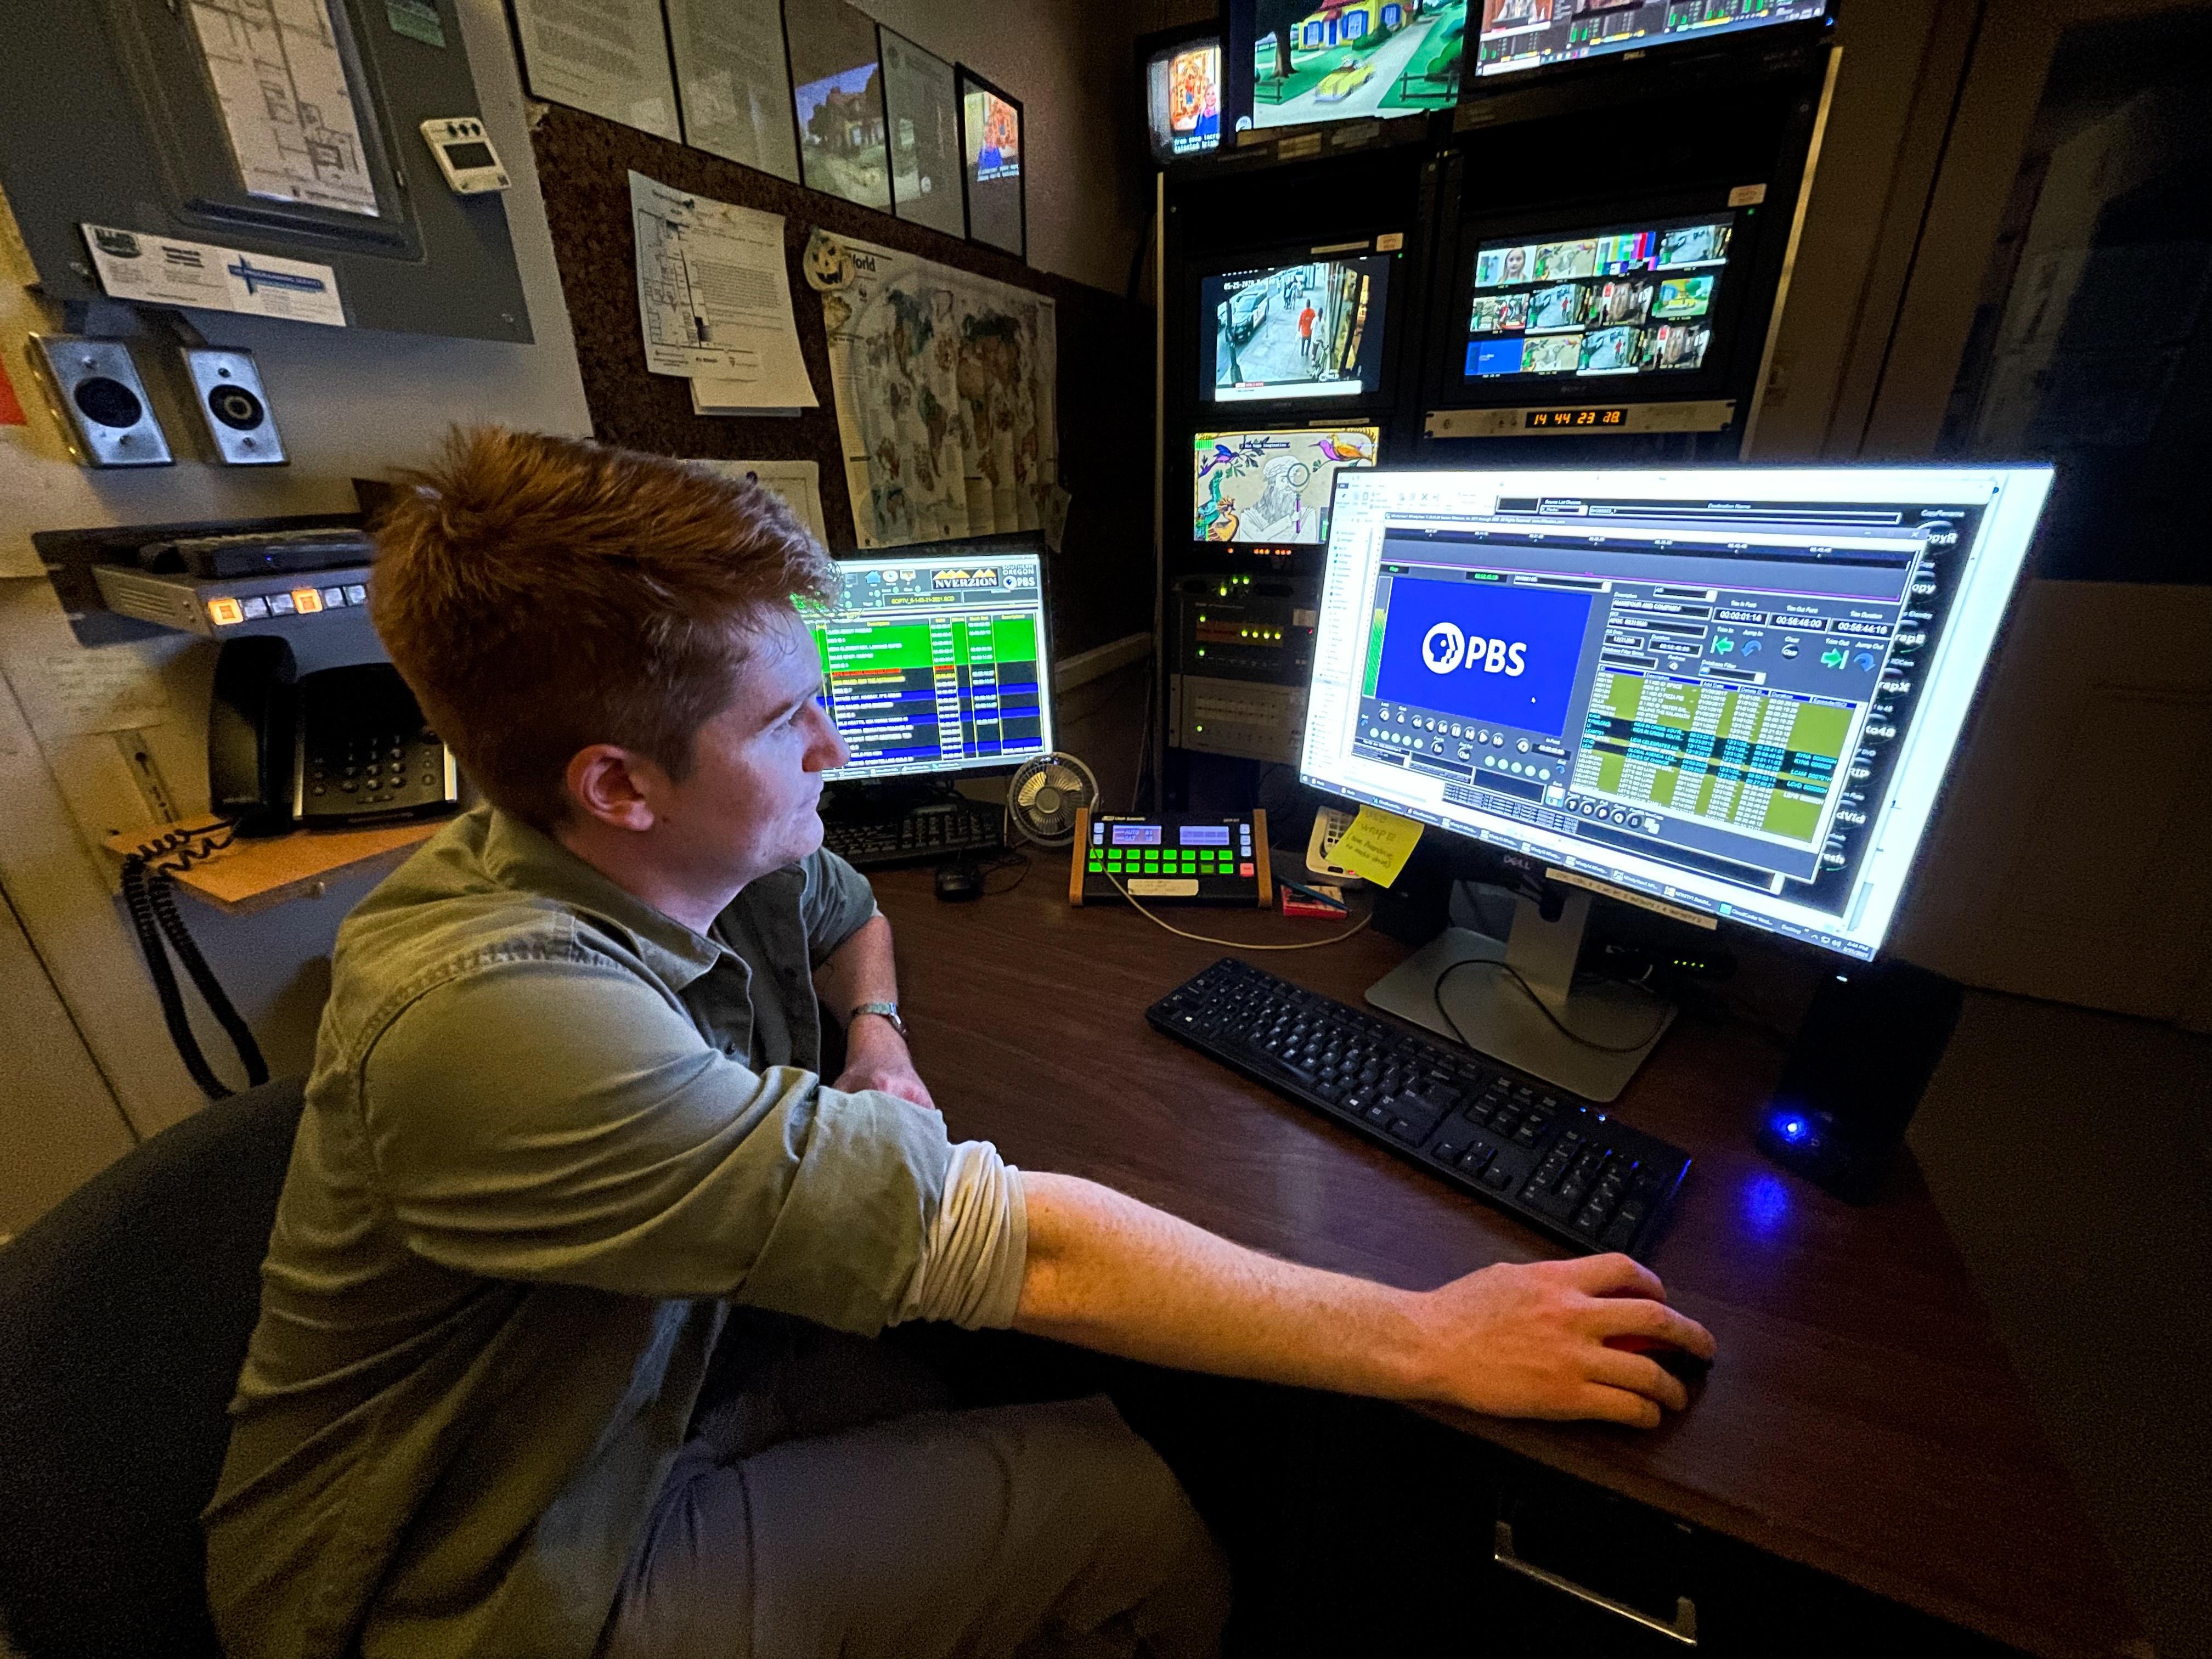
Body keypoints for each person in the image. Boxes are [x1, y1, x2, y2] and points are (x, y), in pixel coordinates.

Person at [202, 430, 1715, 1659]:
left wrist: (877, 1039)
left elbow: (844, 902)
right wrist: (1431, 1339)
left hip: (625, 1389)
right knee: (1127, 1492)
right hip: (464, 1582)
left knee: (956, 1392)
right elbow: (1028, 1250)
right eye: (792, 717)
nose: (839, 749)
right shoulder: (493, 1022)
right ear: (621, 785)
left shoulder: (631, 839)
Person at [1297, 298, 1319, 364]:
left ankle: (1302, 352)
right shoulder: (1313, 313)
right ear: (1310, 305)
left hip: (1304, 333)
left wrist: (1299, 328)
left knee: (1303, 343)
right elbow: (1315, 322)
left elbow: (1300, 321)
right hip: (1310, 333)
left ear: (1306, 305)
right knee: (1309, 343)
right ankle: (1307, 352)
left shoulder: (1303, 312)